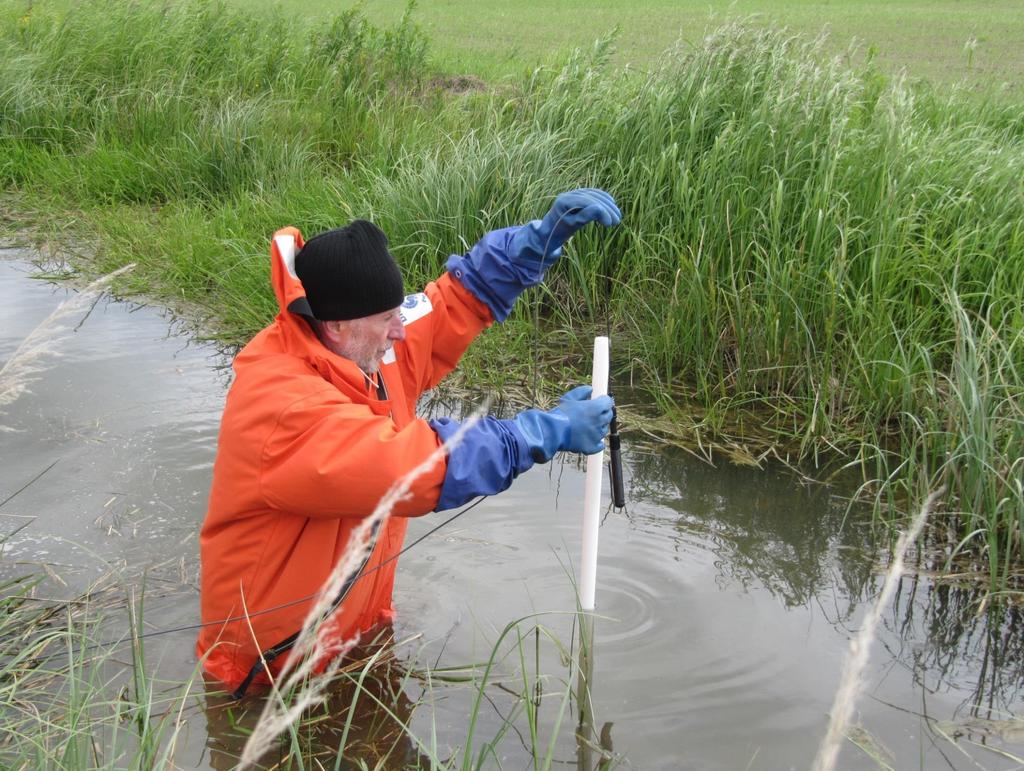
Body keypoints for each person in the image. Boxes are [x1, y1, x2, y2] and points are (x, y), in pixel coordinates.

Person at [196, 189, 621, 695]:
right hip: (267, 677)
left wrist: (535, 242)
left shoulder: (366, 341)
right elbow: (413, 467)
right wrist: (537, 433)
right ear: (335, 326)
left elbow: (452, 303)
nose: (401, 332)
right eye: (386, 321)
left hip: (358, 640)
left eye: (398, 313)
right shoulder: (280, 405)